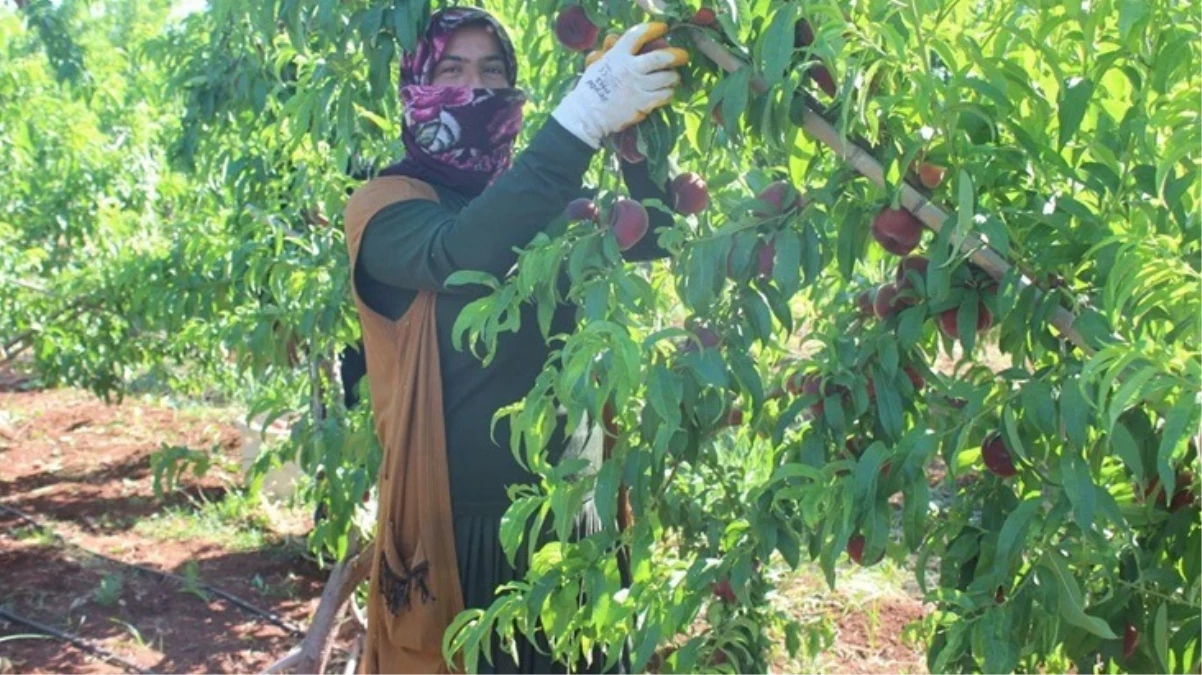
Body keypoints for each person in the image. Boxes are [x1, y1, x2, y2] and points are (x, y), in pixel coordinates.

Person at [342, 7, 687, 674]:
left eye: (493, 71)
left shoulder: (537, 200)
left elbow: (658, 238)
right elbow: (462, 250)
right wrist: (581, 119)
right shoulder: (386, 207)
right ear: (415, 85)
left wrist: (631, 148)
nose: (476, 88)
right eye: (452, 70)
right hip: (461, 547)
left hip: (575, 524)